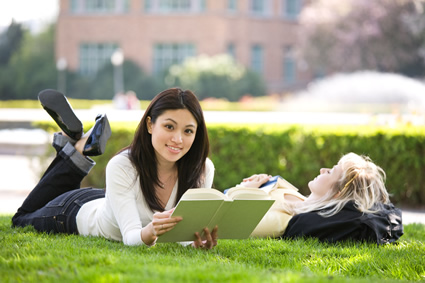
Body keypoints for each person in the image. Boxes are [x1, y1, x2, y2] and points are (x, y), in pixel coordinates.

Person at [12, 88, 217, 249]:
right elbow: (130, 237)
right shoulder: (124, 165)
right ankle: (77, 147)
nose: (178, 139)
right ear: (150, 125)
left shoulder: (202, 169)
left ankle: (77, 145)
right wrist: (151, 231)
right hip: (71, 211)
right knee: (21, 219)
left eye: (188, 131)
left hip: (108, 202)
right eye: (169, 127)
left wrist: (195, 242)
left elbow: (183, 233)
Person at [239, 153, 403, 245]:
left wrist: (245, 192)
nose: (322, 169)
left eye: (330, 172)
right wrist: (259, 183)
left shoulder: (282, 220)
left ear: (338, 193)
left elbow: (232, 222)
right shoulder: (299, 199)